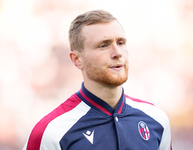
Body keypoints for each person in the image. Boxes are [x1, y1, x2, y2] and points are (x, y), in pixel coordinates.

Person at [23, 10, 172, 150]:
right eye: (103, 46)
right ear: (77, 59)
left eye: (120, 43)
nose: (117, 53)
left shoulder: (157, 120)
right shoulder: (51, 132)